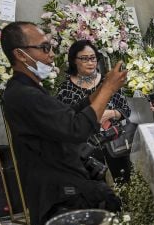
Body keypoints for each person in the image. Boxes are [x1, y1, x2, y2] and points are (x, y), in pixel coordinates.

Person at [1, 21, 127, 225]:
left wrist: (99, 89)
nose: (50, 54)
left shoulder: (31, 89)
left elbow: (67, 115)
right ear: (20, 54)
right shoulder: (23, 94)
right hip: (60, 189)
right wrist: (109, 89)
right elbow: (76, 128)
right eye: (44, 48)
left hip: (62, 182)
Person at [56, 40, 131, 182]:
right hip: (86, 151)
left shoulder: (108, 81)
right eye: (84, 59)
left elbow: (126, 110)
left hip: (115, 145)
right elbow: (65, 122)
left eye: (93, 58)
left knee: (124, 182)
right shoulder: (65, 89)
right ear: (74, 61)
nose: (90, 62)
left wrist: (112, 113)